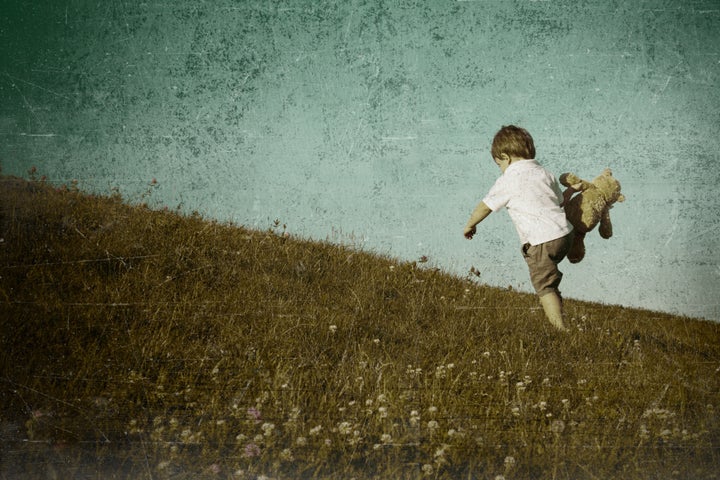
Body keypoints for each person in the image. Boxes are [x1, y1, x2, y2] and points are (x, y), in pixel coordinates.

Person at [463, 125, 574, 331]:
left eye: (499, 164)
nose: (500, 169)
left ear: (505, 157)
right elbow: (560, 201)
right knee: (551, 276)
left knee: (545, 286)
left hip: (540, 241)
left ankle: (560, 329)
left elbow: (485, 206)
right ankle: (575, 250)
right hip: (565, 234)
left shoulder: (509, 179)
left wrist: (470, 224)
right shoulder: (545, 173)